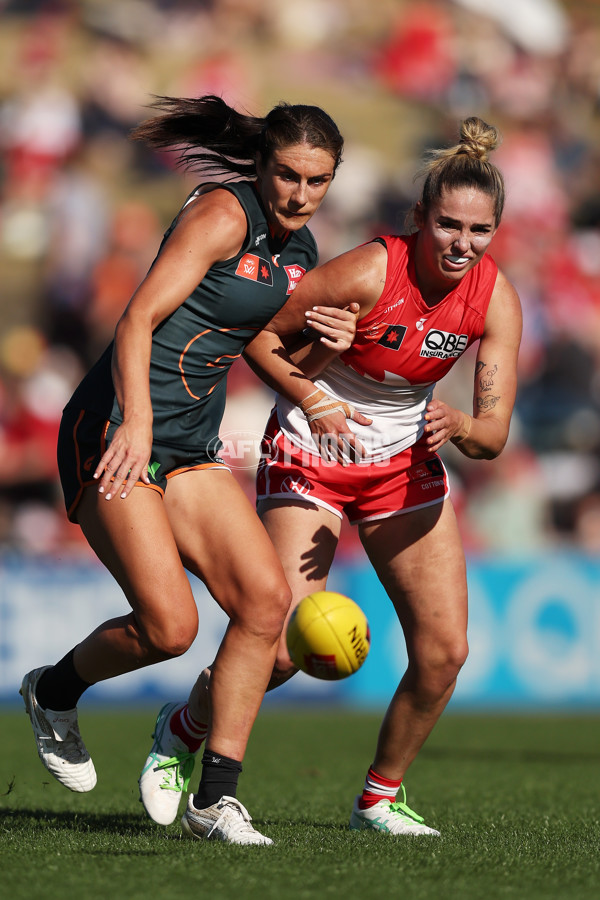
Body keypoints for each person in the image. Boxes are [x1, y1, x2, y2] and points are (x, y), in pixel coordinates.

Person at [139, 116, 522, 837]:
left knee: (445, 653)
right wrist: (315, 388)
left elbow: (494, 432)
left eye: (479, 230)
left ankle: (378, 799)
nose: (461, 243)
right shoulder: (370, 269)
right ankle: (183, 730)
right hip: (313, 452)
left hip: (402, 464)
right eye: (447, 224)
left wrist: (464, 427)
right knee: (279, 649)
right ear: (419, 218)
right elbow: (259, 332)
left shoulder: (495, 298)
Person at [20, 93, 362, 846]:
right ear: (264, 165)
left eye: (318, 181)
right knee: (170, 628)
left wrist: (328, 349)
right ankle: (53, 690)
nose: (300, 193)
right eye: (288, 175)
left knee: (266, 604)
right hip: (116, 428)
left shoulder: (299, 253)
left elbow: (265, 355)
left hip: (192, 447)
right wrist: (137, 424)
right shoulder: (222, 215)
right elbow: (138, 317)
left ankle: (216, 799)